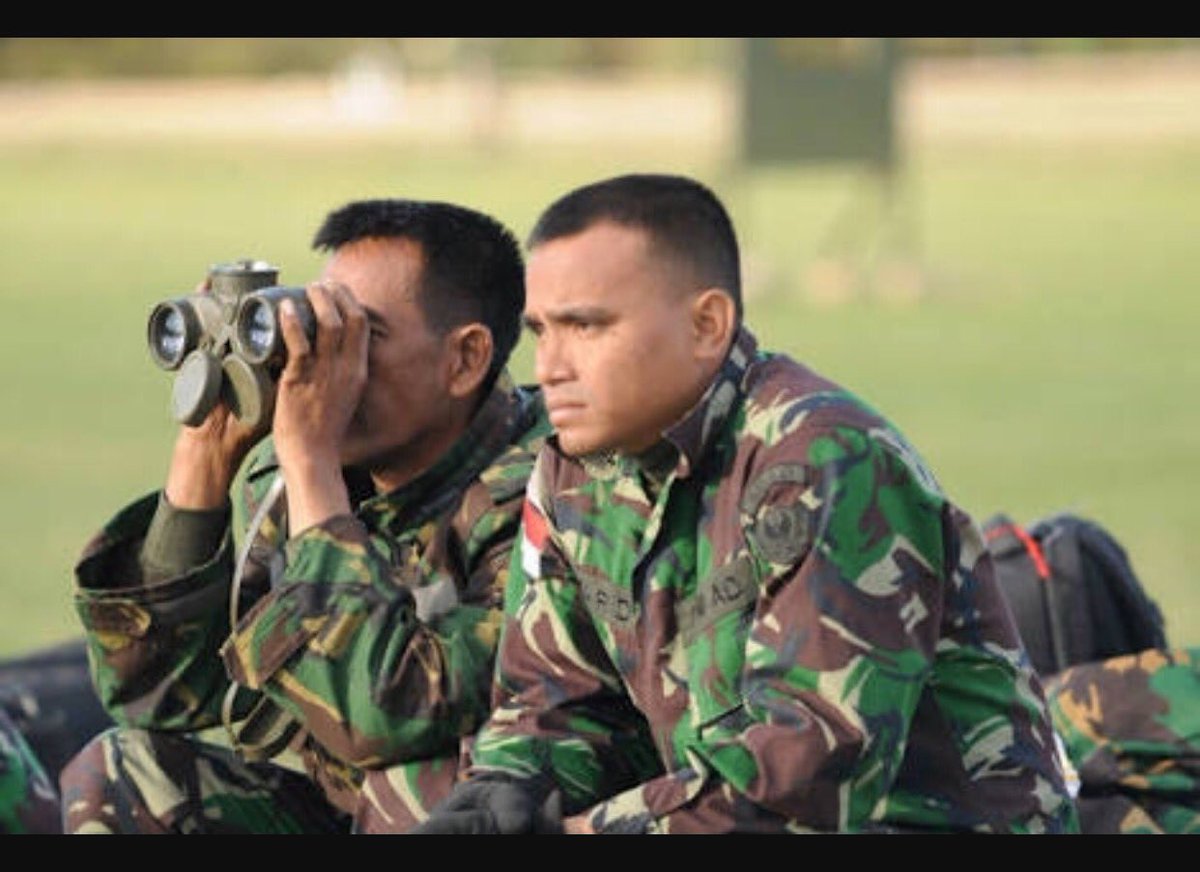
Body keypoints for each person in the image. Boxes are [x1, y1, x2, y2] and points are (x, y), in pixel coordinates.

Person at [413, 173, 1080, 834]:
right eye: (540, 331)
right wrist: (509, 793)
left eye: (586, 326)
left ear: (708, 325)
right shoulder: (575, 470)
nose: (551, 366)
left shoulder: (823, 460)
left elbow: (806, 774)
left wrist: (582, 833)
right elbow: (558, 698)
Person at [60, 198, 550, 833]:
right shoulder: (296, 473)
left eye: (359, 338)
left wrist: (313, 466)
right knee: (126, 771)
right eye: (320, 330)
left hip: (455, 814)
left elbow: (385, 719)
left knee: (419, 793)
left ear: (464, 360)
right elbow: (160, 700)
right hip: (330, 805)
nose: (322, 368)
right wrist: (205, 453)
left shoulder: (546, 494)